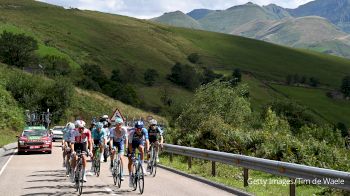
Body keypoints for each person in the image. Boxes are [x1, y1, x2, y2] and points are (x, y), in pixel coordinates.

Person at [127, 121, 149, 187]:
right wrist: (132, 154)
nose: (138, 130)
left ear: (142, 128)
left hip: (139, 142)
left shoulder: (144, 131)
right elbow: (130, 145)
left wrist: (147, 149)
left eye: (139, 129)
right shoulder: (131, 132)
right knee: (130, 161)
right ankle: (130, 177)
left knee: (142, 149)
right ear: (135, 128)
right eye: (137, 128)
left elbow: (147, 141)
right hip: (132, 143)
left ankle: (142, 165)